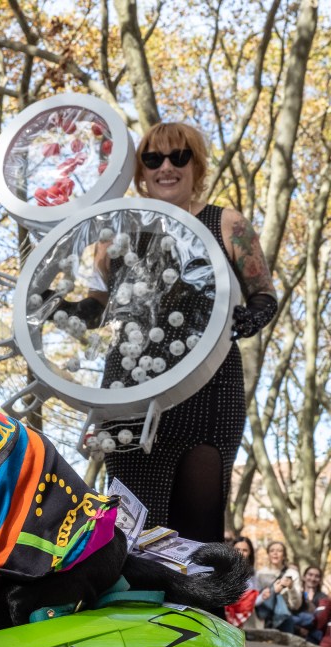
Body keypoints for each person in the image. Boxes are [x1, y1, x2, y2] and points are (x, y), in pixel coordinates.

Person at [103, 122, 278, 544]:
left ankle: (196, 608)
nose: (166, 167)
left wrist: (249, 319)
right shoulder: (118, 232)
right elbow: (97, 304)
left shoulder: (227, 223)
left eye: (179, 156)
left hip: (210, 388)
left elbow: (265, 296)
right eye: (153, 158)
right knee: (130, 532)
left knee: (196, 534)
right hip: (130, 393)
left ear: (196, 167)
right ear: (139, 171)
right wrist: (56, 304)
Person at [255, 540, 302, 632]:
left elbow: (296, 605)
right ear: (268, 554)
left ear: (284, 555)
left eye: (279, 551)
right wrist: (272, 592)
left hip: (284, 618)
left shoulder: (292, 573)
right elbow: (255, 598)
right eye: (272, 551)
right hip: (263, 618)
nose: (275, 553)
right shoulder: (260, 574)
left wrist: (291, 587)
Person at [223, 535, 260, 629]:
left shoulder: (253, 575)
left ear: (250, 553)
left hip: (245, 620)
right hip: (223, 617)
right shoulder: (223, 570)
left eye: (245, 550)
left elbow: (253, 600)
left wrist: (263, 597)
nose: (240, 553)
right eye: (237, 549)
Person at [293, 566, 328, 645]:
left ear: (320, 580)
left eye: (317, 576)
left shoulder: (323, 598)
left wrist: (310, 602)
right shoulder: (296, 594)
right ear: (304, 577)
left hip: (313, 631)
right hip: (296, 628)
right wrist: (299, 629)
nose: (313, 579)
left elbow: (321, 620)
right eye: (310, 575)